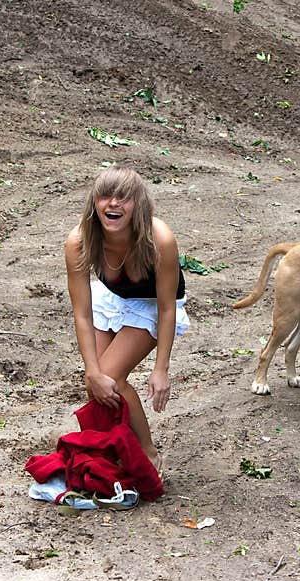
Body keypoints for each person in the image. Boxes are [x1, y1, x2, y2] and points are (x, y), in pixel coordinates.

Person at [64, 166, 189, 478]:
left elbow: (166, 309)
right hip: (110, 298)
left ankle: (147, 452)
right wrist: (90, 370)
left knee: (111, 377)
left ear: (139, 204)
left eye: (124, 198)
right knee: (97, 382)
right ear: (94, 202)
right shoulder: (79, 240)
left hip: (152, 305)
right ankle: (117, 446)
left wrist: (161, 370)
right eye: (105, 196)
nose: (113, 204)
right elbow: (82, 312)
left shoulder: (160, 238)